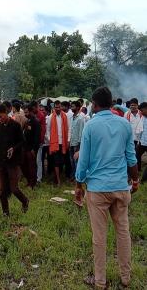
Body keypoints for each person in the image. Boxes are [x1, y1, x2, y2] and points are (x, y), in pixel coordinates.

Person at [75, 87, 139, 289]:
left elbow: (83, 161)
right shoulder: (124, 124)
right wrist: (135, 180)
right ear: (111, 103)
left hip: (98, 189)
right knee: (123, 232)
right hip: (121, 187)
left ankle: (100, 281)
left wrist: (79, 184)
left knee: (99, 237)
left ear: (94, 104)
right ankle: (125, 278)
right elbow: (131, 158)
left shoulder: (91, 126)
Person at [0, 104, 29, 216]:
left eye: (1, 116)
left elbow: (22, 141)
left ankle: (25, 201)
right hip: (1, 161)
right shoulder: (0, 126)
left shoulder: (15, 125)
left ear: (6, 112)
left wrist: (13, 148)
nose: (0, 119)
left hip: (12, 161)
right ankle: (5, 212)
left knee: (14, 188)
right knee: (2, 190)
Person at [46, 100, 69, 185]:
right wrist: (50, 140)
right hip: (54, 143)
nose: (58, 108)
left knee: (62, 161)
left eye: (59, 107)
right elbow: (48, 130)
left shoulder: (65, 116)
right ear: (54, 107)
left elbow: (69, 129)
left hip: (63, 142)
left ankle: (57, 177)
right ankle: (58, 180)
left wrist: (68, 140)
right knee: (56, 161)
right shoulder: (50, 117)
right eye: (56, 107)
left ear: (61, 107)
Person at [21, 104, 41, 189]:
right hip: (25, 147)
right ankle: (29, 181)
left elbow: (37, 136)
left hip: (32, 148)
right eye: (24, 112)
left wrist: (34, 148)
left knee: (32, 166)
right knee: (24, 165)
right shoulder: (27, 121)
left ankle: (33, 183)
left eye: (27, 112)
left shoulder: (35, 122)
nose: (25, 114)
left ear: (31, 111)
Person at [30, 101, 46, 183]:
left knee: (38, 160)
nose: (34, 109)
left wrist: (41, 140)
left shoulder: (40, 115)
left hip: (39, 141)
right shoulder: (33, 115)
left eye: (34, 108)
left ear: (36, 107)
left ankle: (39, 178)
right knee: (33, 160)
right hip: (33, 141)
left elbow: (42, 130)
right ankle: (33, 176)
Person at [69, 101, 85, 181]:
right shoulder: (72, 117)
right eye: (71, 106)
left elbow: (81, 133)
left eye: (73, 106)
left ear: (78, 108)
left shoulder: (81, 118)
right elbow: (71, 130)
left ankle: (77, 177)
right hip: (71, 142)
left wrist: (79, 146)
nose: (72, 108)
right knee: (72, 160)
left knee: (77, 161)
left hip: (77, 143)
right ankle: (74, 175)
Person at [136, 102, 147, 182]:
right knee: (137, 155)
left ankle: (143, 179)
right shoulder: (143, 117)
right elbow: (140, 130)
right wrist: (139, 141)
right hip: (143, 142)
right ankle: (138, 170)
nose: (141, 112)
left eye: (142, 110)